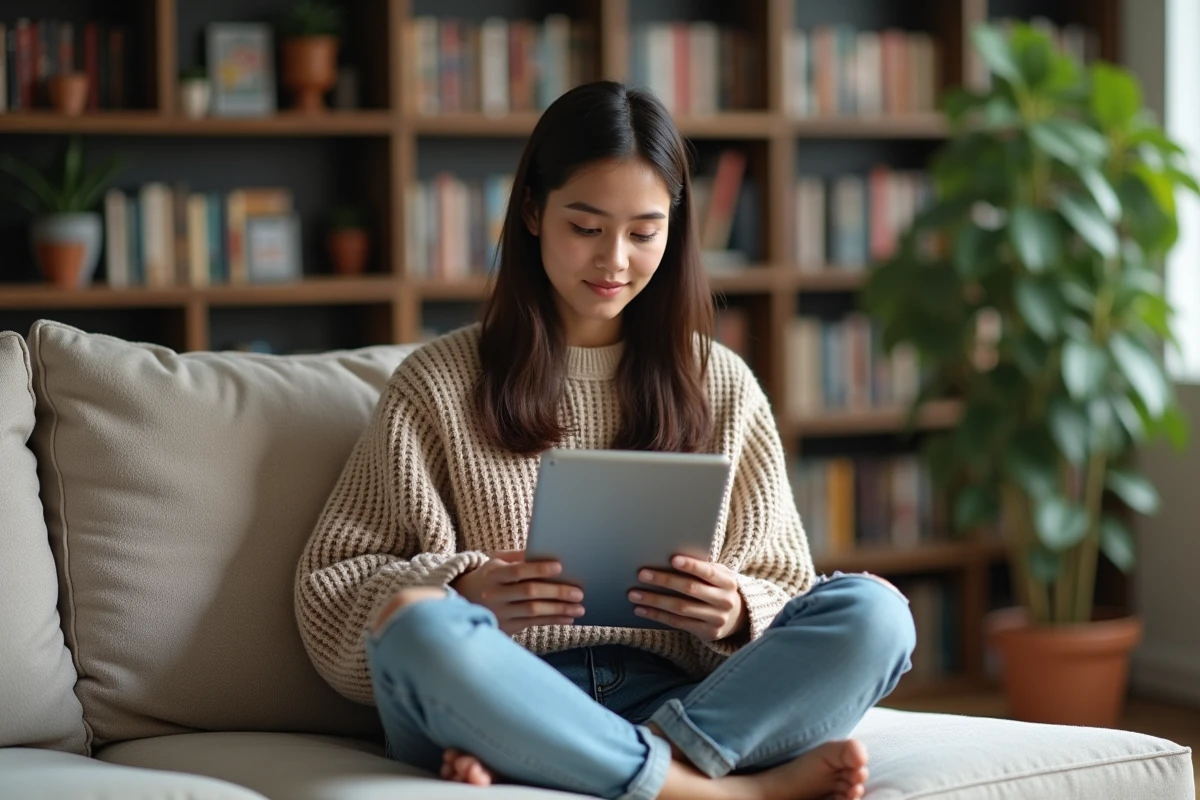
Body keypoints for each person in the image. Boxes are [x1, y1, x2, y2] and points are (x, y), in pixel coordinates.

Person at [296, 80, 915, 800]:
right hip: (502, 686)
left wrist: (739, 610)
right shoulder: (434, 383)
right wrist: (465, 587)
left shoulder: (721, 383)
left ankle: (597, 762)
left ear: (674, 230)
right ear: (532, 210)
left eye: (643, 232)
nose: (614, 260)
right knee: (416, 627)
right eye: (586, 228)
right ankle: (717, 792)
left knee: (874, 613)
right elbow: (328, 592)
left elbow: (786, 581)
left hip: (675, 699)